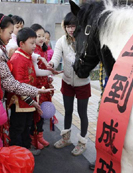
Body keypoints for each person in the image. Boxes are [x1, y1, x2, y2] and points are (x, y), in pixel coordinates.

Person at [0, 14, 53, 118]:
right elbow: (11, 83)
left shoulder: (4, 51)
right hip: (15, 101)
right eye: (10, 32)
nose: (11, 36)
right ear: (0, 31)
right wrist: (36, 91)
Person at [49, 12, 90, 156]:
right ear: (64, 27)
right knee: (67, 111)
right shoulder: (61, 41)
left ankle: (82, 142)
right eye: (68, 26)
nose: (71, 29)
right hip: (67, 81)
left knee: (82, 113)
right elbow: (56, 56)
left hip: (83, 82)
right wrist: (51, 64)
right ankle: (66, 138)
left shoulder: (85, 40)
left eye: (73, 26)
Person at [7, 27, 40, 155]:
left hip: (28, 101)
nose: (34, 46)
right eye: (31, 43)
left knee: (27, 126)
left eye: (34, 43)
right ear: (22, 44)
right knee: (18, 127)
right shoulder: (18, 58)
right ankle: (17, 153)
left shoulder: (26, 56)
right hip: (21, 102)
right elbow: (19, 85)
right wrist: (32, 101)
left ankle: (26, 149)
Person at [30, 24, 53, 149]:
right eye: (38, 36)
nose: (42, 38)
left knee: (42, 113)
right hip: (36, 87)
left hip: (44, 86)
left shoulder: (44, 50)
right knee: (36, 114)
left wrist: (49, 76)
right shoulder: (33, 51)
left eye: (43, 36)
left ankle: (40, 136)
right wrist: (50, 72)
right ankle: (34, 138)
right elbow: (36, 71)